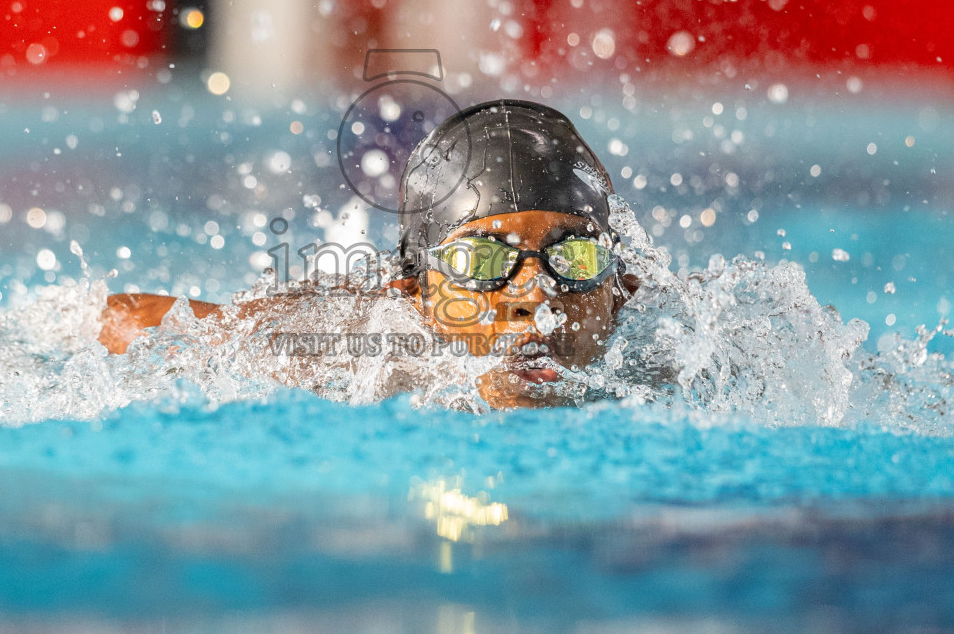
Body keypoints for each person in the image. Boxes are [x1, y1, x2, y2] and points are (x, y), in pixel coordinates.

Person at [100, 100, 640, 408]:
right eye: (480, 261)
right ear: (415, 291)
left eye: (575, 259)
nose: (533, 295)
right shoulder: (353, 349)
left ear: (620, 290)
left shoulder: (676, 355)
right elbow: (126, 317)